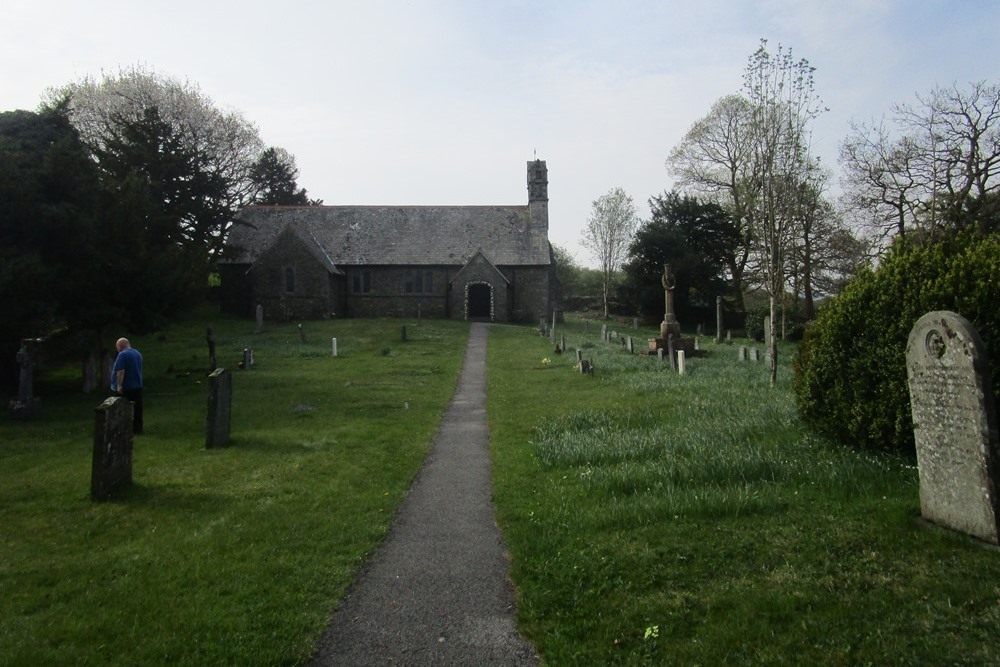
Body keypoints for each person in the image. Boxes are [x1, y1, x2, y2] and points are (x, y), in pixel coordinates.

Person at [111, 337, 144, 434]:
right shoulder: (137, 353)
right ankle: (138, 429)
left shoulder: (122, 355)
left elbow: (120, 371)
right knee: (138, 409)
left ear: (119, 346)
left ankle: (123, 428)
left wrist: (119, 386)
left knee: (122, 408)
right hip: (138, 385)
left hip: (126, 387)